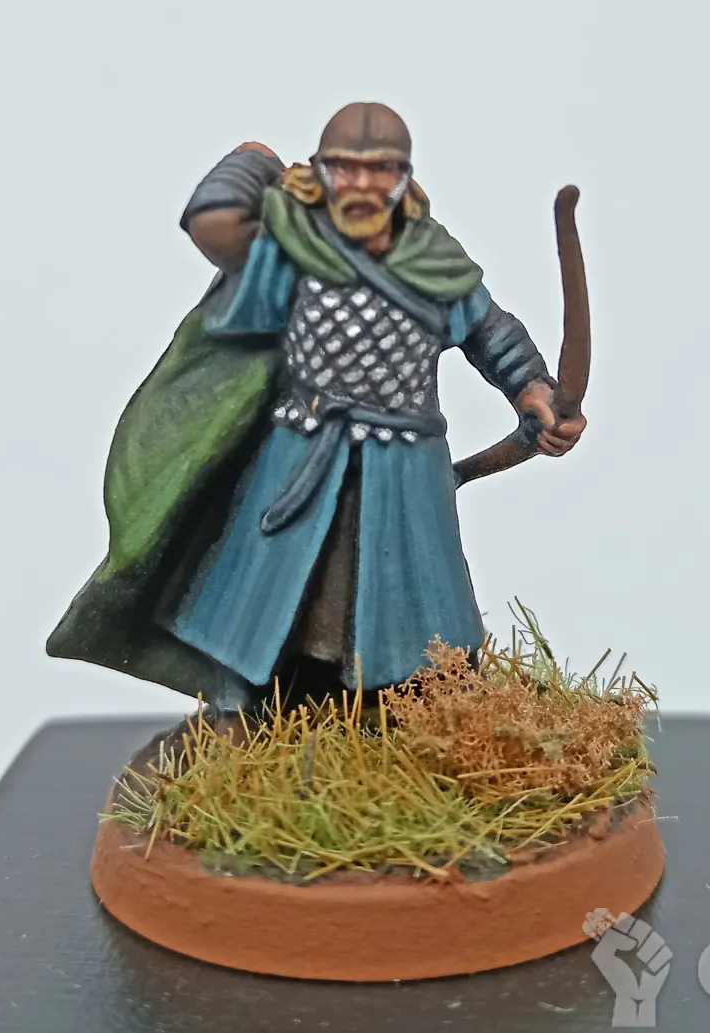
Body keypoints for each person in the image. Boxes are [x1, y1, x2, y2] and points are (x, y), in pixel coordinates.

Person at [47, 103, 586, 730]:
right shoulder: (290, 247)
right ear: (321, 172)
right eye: (346, 169)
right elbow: (212, 221)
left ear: (403, 177)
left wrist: (532, 390)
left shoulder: (433, 259)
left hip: (405, 467)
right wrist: (250, 164)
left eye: (380, 170)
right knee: (262, 595)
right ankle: (245, 709)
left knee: (415, 601)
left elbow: (491, 332)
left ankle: (418, 715)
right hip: (300, 450)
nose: (362, 185)